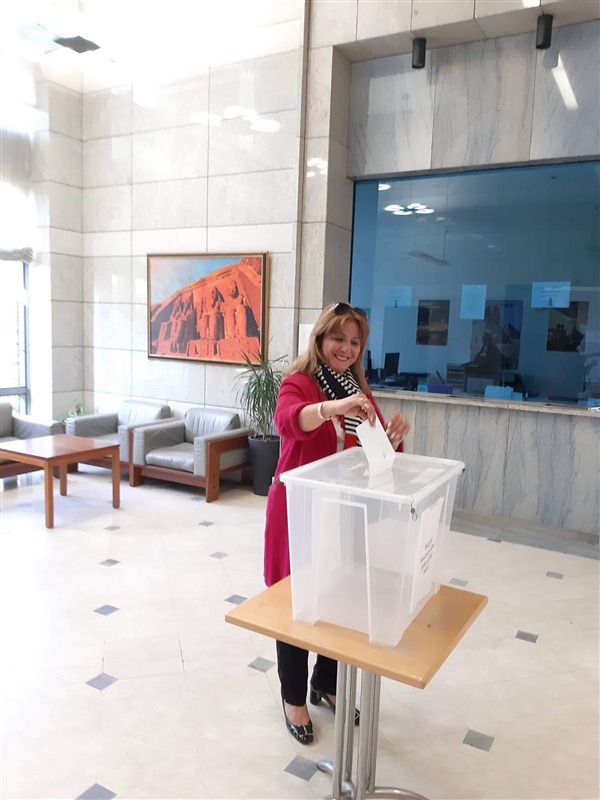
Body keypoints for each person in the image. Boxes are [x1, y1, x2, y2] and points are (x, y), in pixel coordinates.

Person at [263, 302, 411, 744]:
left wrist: (393, 439)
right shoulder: (300, 383)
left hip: (346, 512)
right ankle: (293, 697)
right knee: (298, 601)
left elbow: (377, 454)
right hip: (300, 509)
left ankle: (326, 682)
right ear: (320, 339)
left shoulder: (357, 390)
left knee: (342, 597)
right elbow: (289, 421)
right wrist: (333, 407)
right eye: (338, 338)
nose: (346, 348)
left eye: (354, 342)